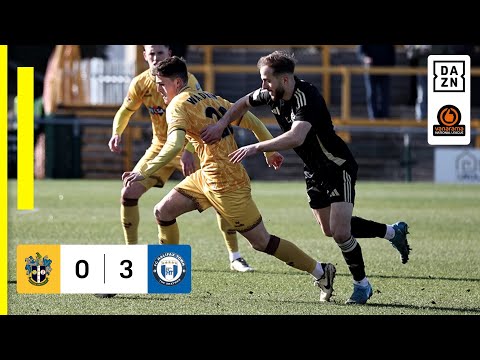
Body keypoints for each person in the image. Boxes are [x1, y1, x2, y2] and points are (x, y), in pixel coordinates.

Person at [201, 50, 411, 304]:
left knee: (341, 233)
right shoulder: (270, 93)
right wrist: (222, 124)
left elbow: (296, 137)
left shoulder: (306, 96)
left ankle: (362, 285)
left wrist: (257, 147)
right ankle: (392, 232)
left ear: (285, 80)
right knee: (329, 229)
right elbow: (242, 103)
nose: (263, 85)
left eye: (267, 79)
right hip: (313, 170)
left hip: (337, 166)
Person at [123, 56, 338, 303]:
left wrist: (145, 171)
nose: (158, 89)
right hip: (207, 176)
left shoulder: (177, 106)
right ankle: (167, 277)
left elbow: (173, 146)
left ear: (177, 81)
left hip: (228, 185)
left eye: (161, 84)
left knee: (262, 242)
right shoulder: (210, 97)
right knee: (163, 211)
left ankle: (321, 271)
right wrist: (269, 150)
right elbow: (253, 120)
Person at [108, 45, 253, 273]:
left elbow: (200, 117)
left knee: (219, 197)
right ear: (145, 56)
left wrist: (189, 151)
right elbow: (125, 111)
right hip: (160, 148)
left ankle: (235, 255)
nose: (156, 58)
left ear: (170, 55)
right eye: (151, 54)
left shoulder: (187, 83)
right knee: (129, 192)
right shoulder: (140, 83)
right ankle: (130, 254)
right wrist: (117, 132)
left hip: (190, 147)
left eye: (160, 54)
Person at [357, 45, 396, 119]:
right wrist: (365, 59)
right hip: (370, 70)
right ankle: (373, 118)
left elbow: (391, 51)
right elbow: (360, 52)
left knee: (385, 94)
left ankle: (385, 117)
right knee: (371, 93)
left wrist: (391, 65)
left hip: (385, 69)